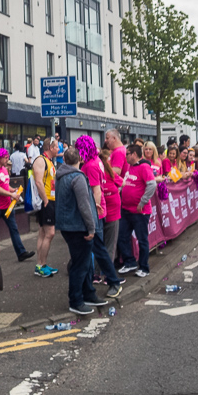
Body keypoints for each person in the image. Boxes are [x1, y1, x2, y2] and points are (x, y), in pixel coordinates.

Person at [54, 147, 108, 316]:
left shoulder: (61, 176)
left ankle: (88, 294)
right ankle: (76, 300)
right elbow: (83, 205)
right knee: (81, 264)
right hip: (79, 227)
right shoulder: (78, 177)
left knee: (83, 263)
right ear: (80, 160)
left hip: (67, 226)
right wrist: (92, 227)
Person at [74, 135, 123, 298]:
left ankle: (112, 281)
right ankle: (101, 282)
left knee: (99, 249)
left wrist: (91, 216)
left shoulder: (90, 165)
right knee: (98, 249)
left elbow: (95, 191)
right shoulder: (96, 162)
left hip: (96, 213)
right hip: (98, 212)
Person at [0, 148, 35, 262]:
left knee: (14, 229)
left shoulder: (4, 169)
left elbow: (4, 185)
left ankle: (21, 252)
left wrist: (12, 190)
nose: (7, 159)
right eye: (5, 157)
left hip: (7, 205)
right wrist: (11, 194)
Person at [117, 143, 156, 278]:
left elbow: (152, 185)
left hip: (140, 211)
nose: (125, 157)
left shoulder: (144, 167)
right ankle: (130, 262)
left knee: (142, 239)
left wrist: (142, 202)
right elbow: (126, 183)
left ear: (134, 154)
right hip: (126, 209)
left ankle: (144, 267)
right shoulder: (130, 167)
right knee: (122, 236)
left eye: (127, 154)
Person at [31, 137, 59, 278]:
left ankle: (42, 264)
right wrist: (46, 199)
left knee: (43, 232)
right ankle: (40, 265)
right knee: (50, 233)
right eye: (56, 146)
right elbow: (38, 181)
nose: (58, 149)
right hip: (46, 201)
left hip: (50, 199)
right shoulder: (40, 160)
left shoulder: (48, 161)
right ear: (50, 147)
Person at [98, 147, 124, 263]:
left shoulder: (94, 170)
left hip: (100, 211)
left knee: (100, 243)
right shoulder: (110, 172)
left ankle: (98, 273)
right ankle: (108, 273)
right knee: (110, 245)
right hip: (112, 212)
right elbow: (122, 182)